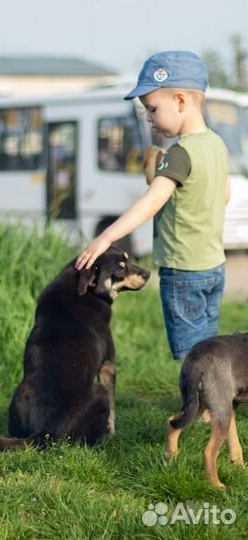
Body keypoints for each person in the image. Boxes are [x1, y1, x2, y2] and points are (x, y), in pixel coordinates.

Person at [75, 50, 230, 361]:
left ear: (181, 102)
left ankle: (202, 408)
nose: (149, 117)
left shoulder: (179, 153)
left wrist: (107, 237)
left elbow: (150, 204)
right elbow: (224, 195)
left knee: (193, 358)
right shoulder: (217, 144)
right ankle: (218, 404)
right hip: (214, 265)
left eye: (152, 109)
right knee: (209, 349)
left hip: (183, 269)